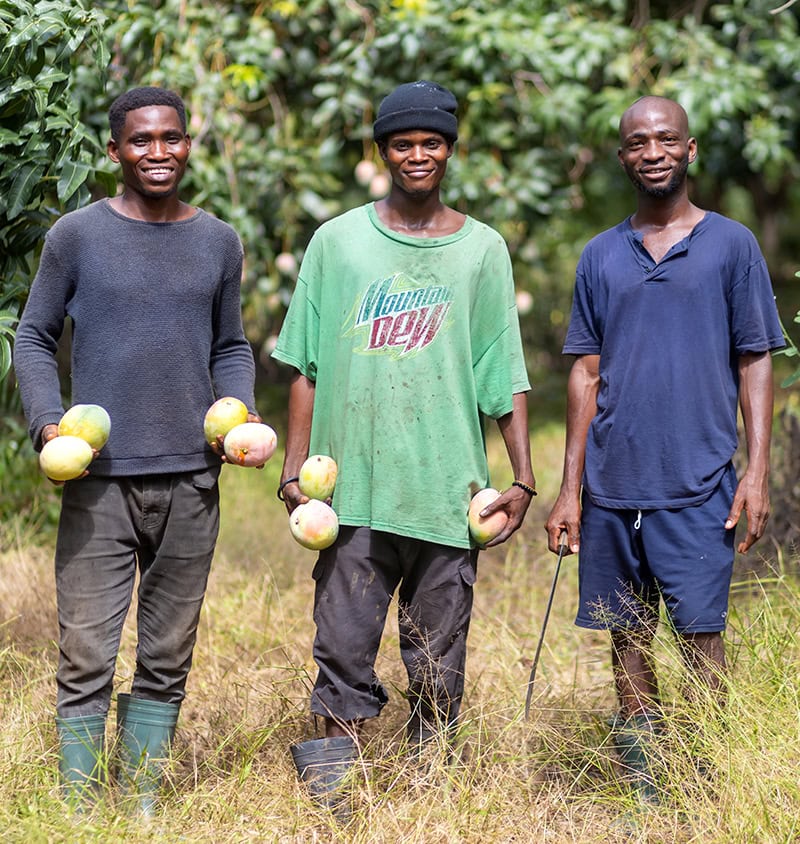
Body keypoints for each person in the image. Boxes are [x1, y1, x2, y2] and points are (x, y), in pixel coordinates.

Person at [272, 80, 536, 811]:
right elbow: (303, 367)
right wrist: (294, 474)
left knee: (438, 662)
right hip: (351, 493)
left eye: (431, 143)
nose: (417, 155)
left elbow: (501, 371)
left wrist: (523, 478)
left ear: (450, 149)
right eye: (402, 143)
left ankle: (430, 796)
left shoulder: (482, 249)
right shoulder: (338, 242)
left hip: (448, 495)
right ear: (382, 150)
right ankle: (338, 805)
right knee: (343, 652)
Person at [13, 86, 258, 814]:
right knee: (86, 650)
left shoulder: (218, 241)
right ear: (115, 150)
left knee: (166, 650)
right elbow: (32, 337)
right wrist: (48, 425)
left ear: (188, 145)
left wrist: (236, 415)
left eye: (171, 138)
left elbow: (232, 345)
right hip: (98, 480)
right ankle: (81, 803)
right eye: (142, 141)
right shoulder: (77, 236)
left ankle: (142, 795)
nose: (159, 153)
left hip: (192, 479)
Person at [545, 95, 785, 806]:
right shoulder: (599, 254)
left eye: (666, 139)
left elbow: (756, 359)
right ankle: (646, 784)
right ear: (623, 157)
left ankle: (710, 780)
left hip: (701, 480)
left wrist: (758, 472)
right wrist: (569, 489)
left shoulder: (730, 245)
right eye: (639, 141)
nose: (653, 151)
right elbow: (585, 371)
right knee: (626, 634)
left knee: (701, 635)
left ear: (690, 151)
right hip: (613, 482)